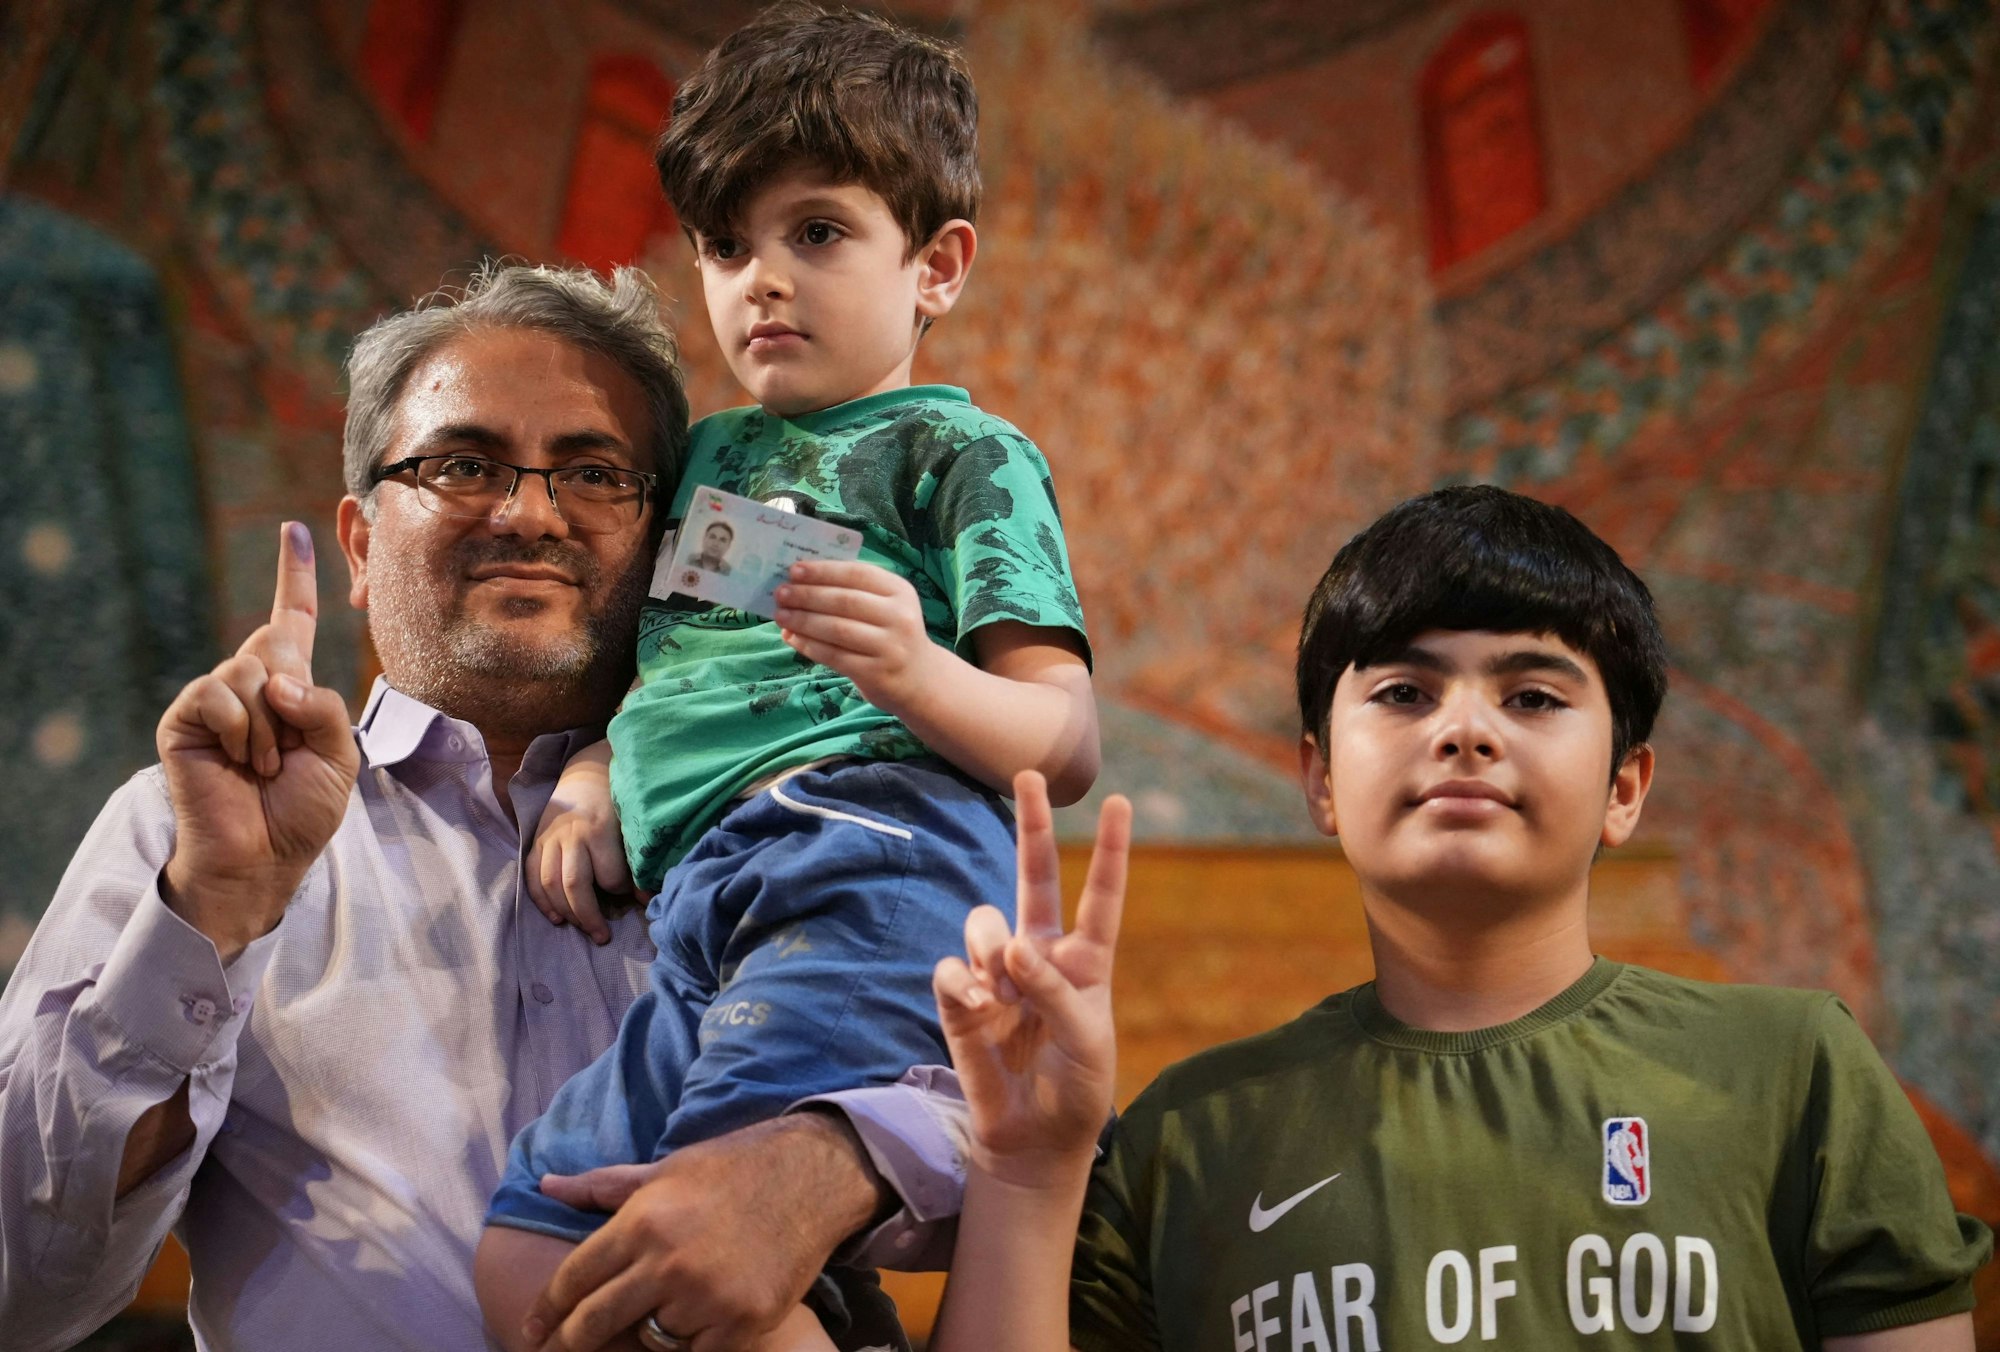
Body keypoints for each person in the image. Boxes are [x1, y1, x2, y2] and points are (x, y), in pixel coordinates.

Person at [0, 262, 952, 1352]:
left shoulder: (799, 802)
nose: (529, 512)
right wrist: (210, 914)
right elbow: (22, 1290)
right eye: (463, 463)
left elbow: (1010, 1119)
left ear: (672, 542)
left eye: (594, 472)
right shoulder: (188, 831)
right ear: (359, 545)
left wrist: (834, 1161)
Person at [926, 487, 1994, 1350]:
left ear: (1625, 785)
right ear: (1319, 779)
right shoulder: (1185, 1138)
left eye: (1531, 695)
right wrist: (1025, 1169)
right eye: (1402, 692)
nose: (1463, 732)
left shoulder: (1793, 1070)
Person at [476, 6, 1099, 1347]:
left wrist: (921, 673)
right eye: (725, 244)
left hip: (867, 860)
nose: (763, 278)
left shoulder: (962, 457)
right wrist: (597, 772)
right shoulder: (707, 458)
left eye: (815, 233)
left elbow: (1063, 736)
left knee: (712, 1225)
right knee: (531, 1237)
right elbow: (687, 668)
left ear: (936, 268)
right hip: (702, 899)